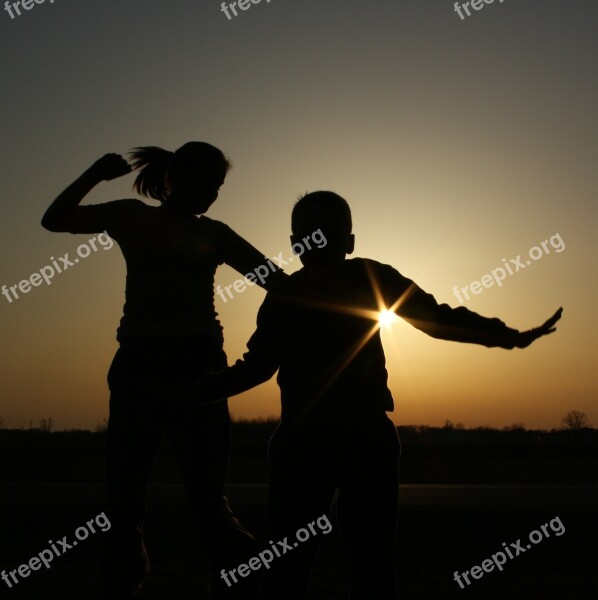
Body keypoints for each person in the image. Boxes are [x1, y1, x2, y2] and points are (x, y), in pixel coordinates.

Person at [187, 190, 562, 600]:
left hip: (315, 442)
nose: (317, 243)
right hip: (352, 440)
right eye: (313, 235)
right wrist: (508, 337)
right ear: (347, 242)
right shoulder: (351, 280)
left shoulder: (291, 293)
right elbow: (435, 319)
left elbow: (257, 368)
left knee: (301, 566)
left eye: (321, 234)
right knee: (366, 563)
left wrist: (195, 391)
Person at [41, 142, 285, 599]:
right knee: (124, 500)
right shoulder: (132, 216)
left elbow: (277, 282)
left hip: (199, 369)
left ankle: (246, 586)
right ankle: (122, 584)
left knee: (209, 501)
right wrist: (94, 171)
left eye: (217, 187)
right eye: (204, 182)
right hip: (141, 365)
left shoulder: (216, 233)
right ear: (172, 177)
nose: (211, 194)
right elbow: (54, 219)